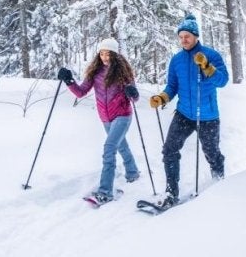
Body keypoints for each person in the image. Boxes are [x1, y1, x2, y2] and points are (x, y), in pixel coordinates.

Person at [149, 14, 229, 208]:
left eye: (188, 36)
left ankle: (220, 181)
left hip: (208, 115)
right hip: (184, 114)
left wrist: (207, 67)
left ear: (196, 36)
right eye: (181, 36)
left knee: (211, 152)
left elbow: (223, 81)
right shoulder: (176, 60)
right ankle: (171, 193)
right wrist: (162, 97)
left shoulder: (211, 55)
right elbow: (172, 86)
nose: (184, 40)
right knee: (169, 149)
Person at [57, 38, 140, 204]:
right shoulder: (95, 73)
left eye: (108, 53)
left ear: (115, 54)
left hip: (123, 115)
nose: (104, 56)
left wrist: (132, 92)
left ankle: (105, 192)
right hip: (105, 118)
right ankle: (133, 173)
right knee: (121, 145)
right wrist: (69, 81)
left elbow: (135, 97)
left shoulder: (123, 73)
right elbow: (81, 92)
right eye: (102, 53)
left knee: (109, 149)